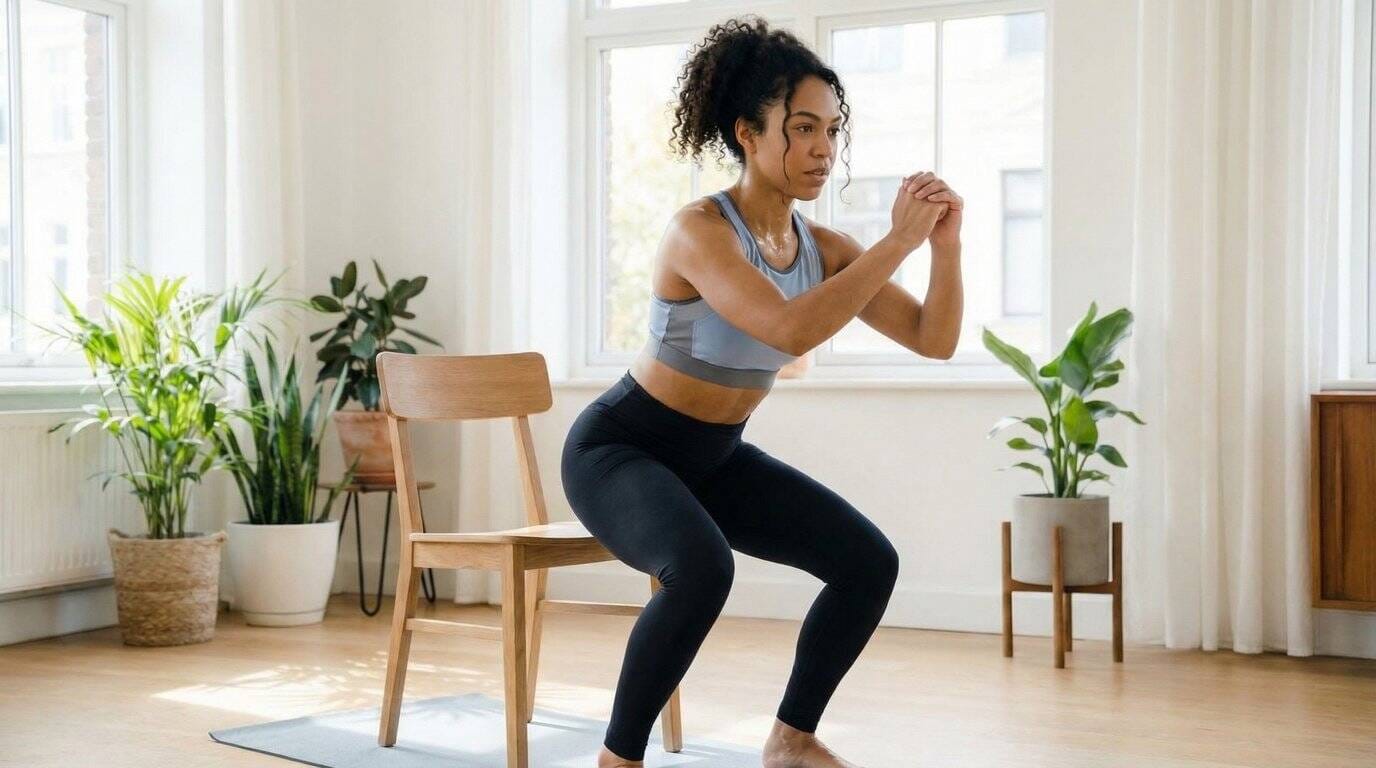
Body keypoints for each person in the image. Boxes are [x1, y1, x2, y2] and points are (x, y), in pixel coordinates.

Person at [560, 15, 963, 768]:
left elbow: (933, 339)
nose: (822, 148)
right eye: (803, 128)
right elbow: (785, 330)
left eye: (832, 130)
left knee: (866, 563)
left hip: (714, 456)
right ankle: (618, 760)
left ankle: (790, 741)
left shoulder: (824, 248)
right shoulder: (700, 232)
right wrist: (896, 243)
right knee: (703, 570)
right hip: (621, 449)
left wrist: (944, 247)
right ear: (748, 133)